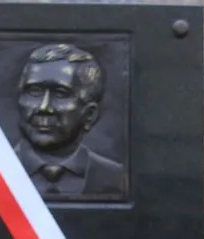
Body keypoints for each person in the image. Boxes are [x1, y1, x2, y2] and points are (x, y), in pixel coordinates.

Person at [13, 43, 127, 200]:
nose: (44, 107)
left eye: (60, 94)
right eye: (34, 92)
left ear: (90, 114)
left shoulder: (116, 177)